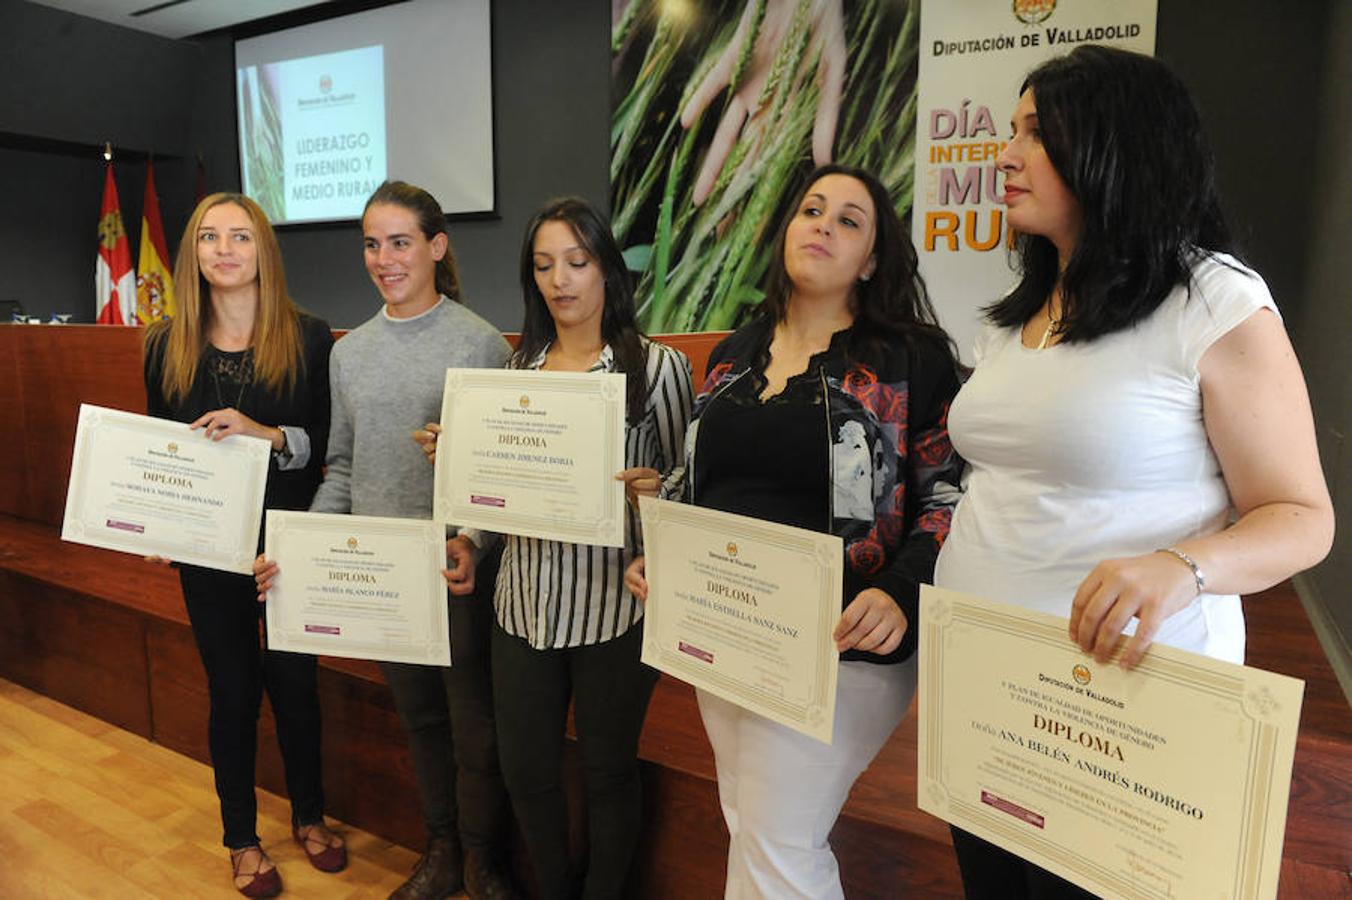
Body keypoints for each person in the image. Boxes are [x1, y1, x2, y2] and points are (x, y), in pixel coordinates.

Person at [932, 45, 1334, 899]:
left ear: (1116, 147)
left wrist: (1181, 567)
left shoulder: (1212, 299)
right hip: (990, 686)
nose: (1004, 155)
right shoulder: (1017, 315)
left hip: (1122, 709)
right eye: (1010, 131)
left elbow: (1303, 518)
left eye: (1036, 133)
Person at [625, 163, 964, 898]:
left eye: (849, 220)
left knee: (779, 843)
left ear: (871, 259)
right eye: (812, 210)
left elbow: (952, 497)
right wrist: (664, 550)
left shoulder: (912, 357)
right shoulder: (734, 353)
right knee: (752, 827)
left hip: (844, 641)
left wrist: (902, 589)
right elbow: (702, 482)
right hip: (730, 629)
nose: (823, 227)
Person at [418, 197, 693, 899]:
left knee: (608, 773)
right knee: (527, 773)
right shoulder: (516, 372)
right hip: (522, 607)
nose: (560, 280)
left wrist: (658, 494)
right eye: (544, 266)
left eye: (576, 261)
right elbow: (500, 494)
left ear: (606, 269)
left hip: (614, 610)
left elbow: (685, 480)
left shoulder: (657, 368)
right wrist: (470, 528)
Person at [254, 181, 516, 900]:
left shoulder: (481, 343)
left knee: (475, 731)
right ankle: (441, 853)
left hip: (455, 574)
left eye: (400, 242)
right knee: (422, 722)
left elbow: (500, 474)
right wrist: (299, 548)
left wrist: (474, 540)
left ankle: (483, 862)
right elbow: (342, 467)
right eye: (372, 244)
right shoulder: (351, 353)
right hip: (383, 579)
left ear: (436, 247)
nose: (384, 258)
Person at [143, 192, 341, 898]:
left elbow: (327, 446)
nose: (224, 250)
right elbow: (159, 447)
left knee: (296, 686)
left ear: (264, 250)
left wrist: (266, 434)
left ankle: (309, 815)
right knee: (231, 693)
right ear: (192, 253)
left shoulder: (309, 337)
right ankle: (241, 838)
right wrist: (156, 522)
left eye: (240, 236)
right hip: (208, 548)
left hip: (287, 545)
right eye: (208, 237)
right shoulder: (164, 344)